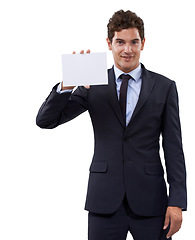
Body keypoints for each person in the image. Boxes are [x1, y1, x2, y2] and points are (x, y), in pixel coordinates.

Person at [36, 10, 187, 240]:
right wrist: (68, 84)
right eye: (120, 42)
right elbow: (45, 121)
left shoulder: (164, 87)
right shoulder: (91, 84)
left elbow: (174, 148)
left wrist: (177, 201)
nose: (127, 49)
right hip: (104, 201)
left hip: (151, 202)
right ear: (109, 43)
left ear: (143, 43)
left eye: (134, 42)